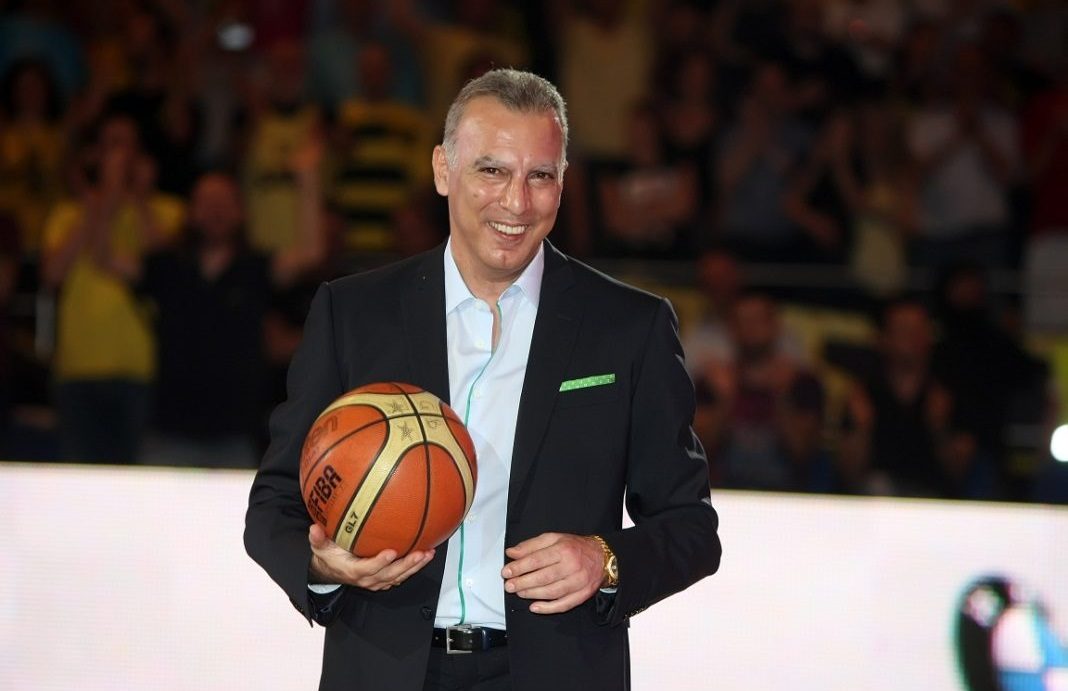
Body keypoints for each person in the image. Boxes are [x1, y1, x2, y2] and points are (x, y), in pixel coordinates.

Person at [245, 68, 721, 690]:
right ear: (443, 170)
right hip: (384, 670)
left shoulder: (630, 326)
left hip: (556, 674)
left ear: (563, 183)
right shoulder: (352, 314)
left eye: (540, 176)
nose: (516, 203)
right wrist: (322, 565)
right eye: (492, 170)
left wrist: (605, 560)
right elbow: (274, 504)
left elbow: (690, 527)